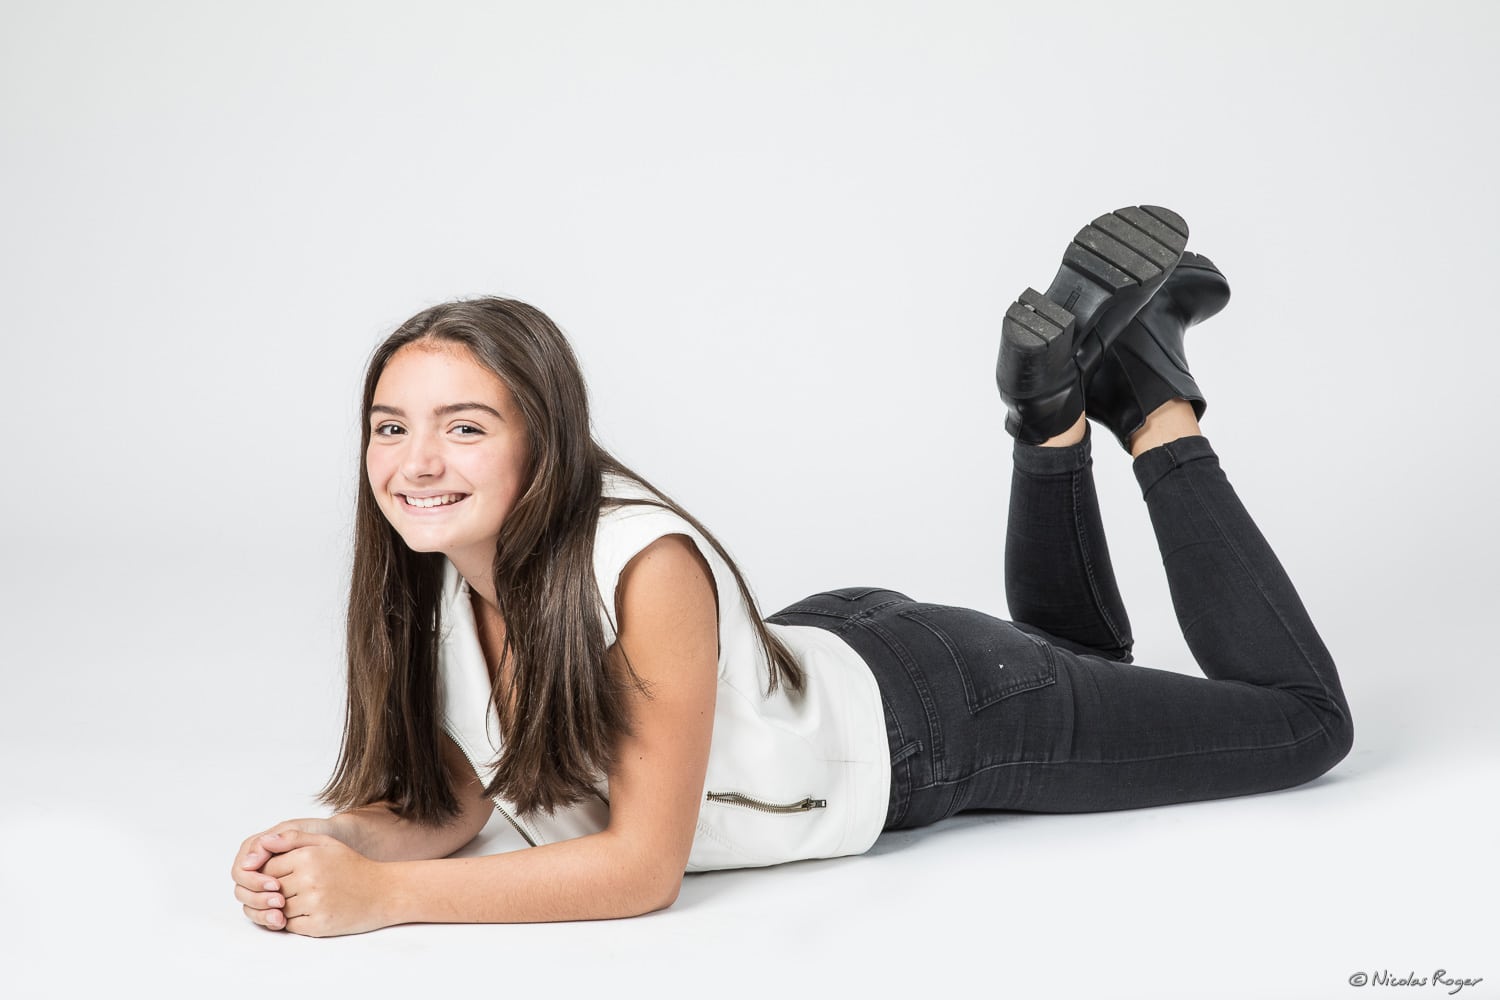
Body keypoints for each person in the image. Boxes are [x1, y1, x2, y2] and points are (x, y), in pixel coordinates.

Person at [229, 205, 1353, 937]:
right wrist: (339, 840)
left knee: (1301, 725)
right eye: (389, 427)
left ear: (543, 438)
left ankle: (1150, 400)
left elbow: (640, 870)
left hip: (928, 719)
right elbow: (470, 790)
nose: (416, 462)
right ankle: (1050, 416)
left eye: (464, 428)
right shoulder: (436, 567)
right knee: (1078, 663)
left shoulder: (642, 562)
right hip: (836, 653)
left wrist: (388, 899)